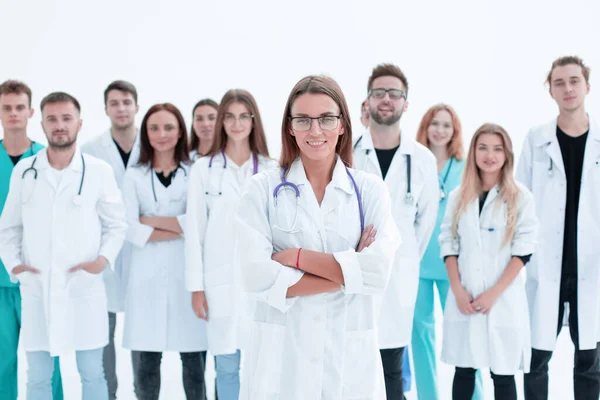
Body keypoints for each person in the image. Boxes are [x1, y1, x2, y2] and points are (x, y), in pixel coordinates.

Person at [235, 75, 401, 399]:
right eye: (304, 120)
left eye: (326, 119)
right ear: (290, 127)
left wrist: (296, 259)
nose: (315, 131)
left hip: (347, 357)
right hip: (283, 357)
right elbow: (255, 276)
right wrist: (351, 271)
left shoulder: (369, 190)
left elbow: (378, 272)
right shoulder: (261, 190)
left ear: (342, 125)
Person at [0, 92, 127, 400]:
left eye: (66, 118)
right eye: (52, 119)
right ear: (41, 123)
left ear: (79, 123)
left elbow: (117, 225)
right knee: (39, 377)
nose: (59, 126)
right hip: (37, 289)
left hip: (84, 290)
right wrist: (16, 266)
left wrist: (101, 261)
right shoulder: (25, 170)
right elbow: (9, 228)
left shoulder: (97, 171)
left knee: (92, 374)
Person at [353, 63, 439, 399]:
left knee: (393, 368)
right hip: (353, 273)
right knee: (355, 363)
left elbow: (425, 224)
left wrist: (401, 258)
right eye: (379, 93)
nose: (386, 99)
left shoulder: (422, 160)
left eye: (394, 93)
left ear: (406, 103)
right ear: (368, 100)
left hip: (399, 274)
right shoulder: (346, 153)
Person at [516, 55, 600, 400]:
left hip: (592, 266)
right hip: (545, 264)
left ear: (587, 86)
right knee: (536, 360)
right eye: (559, 82)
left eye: (574, 81)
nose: (568, 88)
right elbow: (519, 202)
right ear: (550, 90)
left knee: (589, 362)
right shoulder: (536, 139)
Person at [185, 89, 276, 400]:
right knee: (225, 366)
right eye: (230, 117)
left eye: (243, 116)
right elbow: (195, 233)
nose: (237, 124)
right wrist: (196, 288)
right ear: (222, 121)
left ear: (253, 121)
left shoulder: (271, 169)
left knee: (262, 366)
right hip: (218, 282)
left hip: (262, 283)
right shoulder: (203, 169)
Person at [440, 123, 538, 400]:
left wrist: (494, 294)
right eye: (483, 147)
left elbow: (524, 250)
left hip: (503, 299)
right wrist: (458, 290)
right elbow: (448, 242)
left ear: (507, 154)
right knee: (464, 370)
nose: (490, 155)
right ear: (473, 152)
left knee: (503, 373)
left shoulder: (521, 198)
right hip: (465, 295)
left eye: (497, 148)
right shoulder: (459, 196)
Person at [121, 103, 208, 400]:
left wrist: (151, 223)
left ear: (181, 131)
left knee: (194, 366)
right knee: (146, 367)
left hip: (187, 277)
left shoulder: (195, 170)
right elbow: (130, 228)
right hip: (145, 281)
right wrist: (180, 226)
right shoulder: (134, 175)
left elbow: (200, 221)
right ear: (145, 133)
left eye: (169, 127)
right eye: (154, 128)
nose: (162, 134)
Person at [412, 104, 483, 400]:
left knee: (465, 338)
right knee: (420, 338)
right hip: (417, 264)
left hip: (454, 267)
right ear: (425, 127)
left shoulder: (466, 167)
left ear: (455, 132)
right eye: (434, 124)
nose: (440, 130)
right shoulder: (414, 163)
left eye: (446, 125)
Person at [0, 80, 63, 400]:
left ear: (29, 111)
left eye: (19, 107)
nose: (13, 114)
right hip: (0, 283)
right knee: (1, 362)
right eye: (6, 108)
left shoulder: (48, 158)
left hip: (40, 278)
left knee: (47, 360)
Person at [81, 79, 141, 400]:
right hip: (104, 253)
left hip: (145, 251)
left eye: (126, 102)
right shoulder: (90, 150)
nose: (120, 108)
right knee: (103, 336)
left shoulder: (155, 145)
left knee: (141, 336)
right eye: (114, 103)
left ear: (136, 106)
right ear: (105, 109)